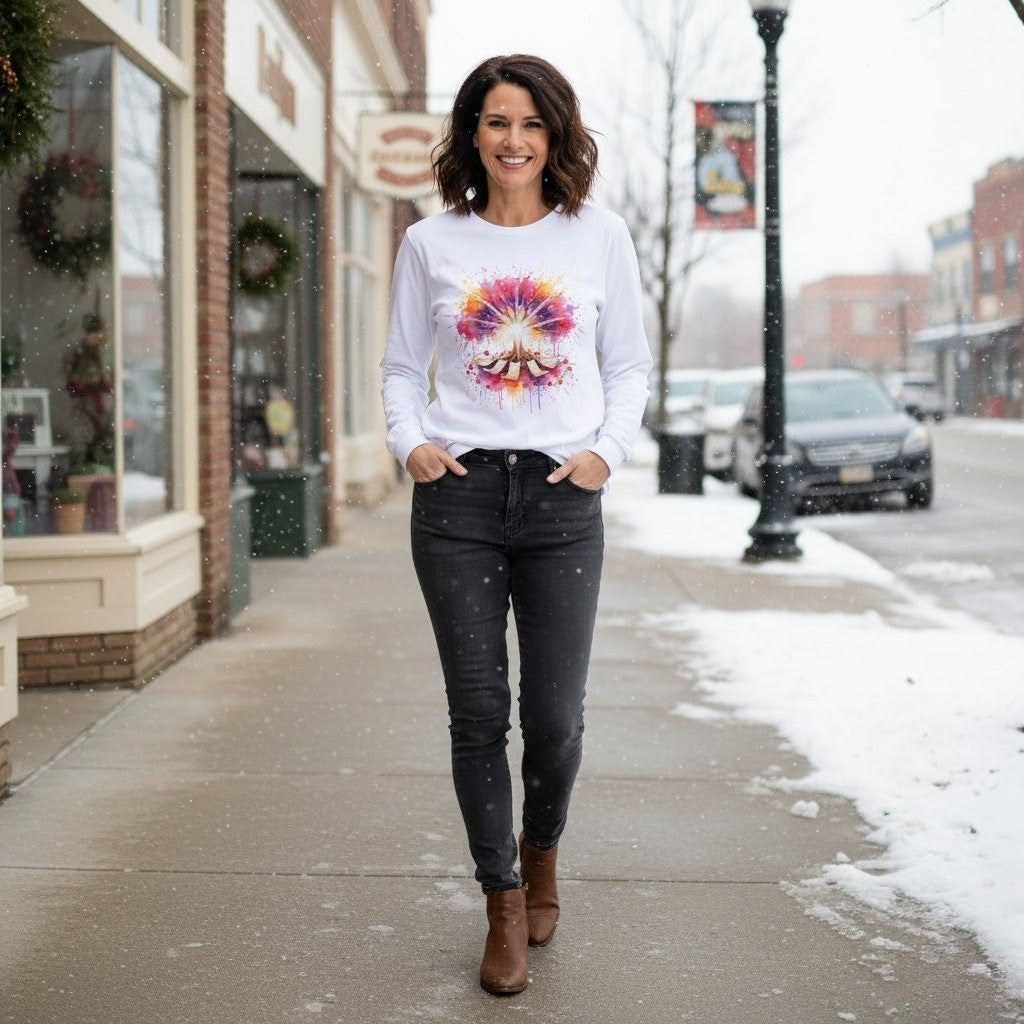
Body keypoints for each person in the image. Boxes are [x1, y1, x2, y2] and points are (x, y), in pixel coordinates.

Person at [381, 53, 652, 995]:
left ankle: (542, 849)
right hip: (455, 498)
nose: (513, 141)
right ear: (472, 134)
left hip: (562, 500)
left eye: (530, 124)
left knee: (555, 721)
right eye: (496, 122)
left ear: (556, 136)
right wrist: (408, 441)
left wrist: (604, 455)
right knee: (477, 717)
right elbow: (398, 368)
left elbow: (628, 370)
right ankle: (501, 899)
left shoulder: (597, 237)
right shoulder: (430, 243)